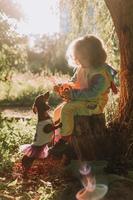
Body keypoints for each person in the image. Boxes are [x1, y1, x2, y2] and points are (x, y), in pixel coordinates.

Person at [53, 35, 118, 140]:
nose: (79, 61)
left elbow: (93, 93)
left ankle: (65, 138)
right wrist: (64, 87)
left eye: (82, 58)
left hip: (94, 104)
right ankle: (55, 136)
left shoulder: (99, 74)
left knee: (67, 109)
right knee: (58, 111)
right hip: (82, 100)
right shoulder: (81, 68)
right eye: (77, 58)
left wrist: (73, 95)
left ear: (94, 56)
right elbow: (73, 81)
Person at [20, 92, 61, 172]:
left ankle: (25, 168)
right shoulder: (43, 118)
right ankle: (25, 168)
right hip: (40, 143)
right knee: (32, 157)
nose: (47, 103)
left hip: (41, 141)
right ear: (43, 105)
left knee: (32, 157)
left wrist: (58, 122)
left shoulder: (43, 116)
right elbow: (48, 129)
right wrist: (59, 126)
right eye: (45, 102)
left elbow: (50, 125)